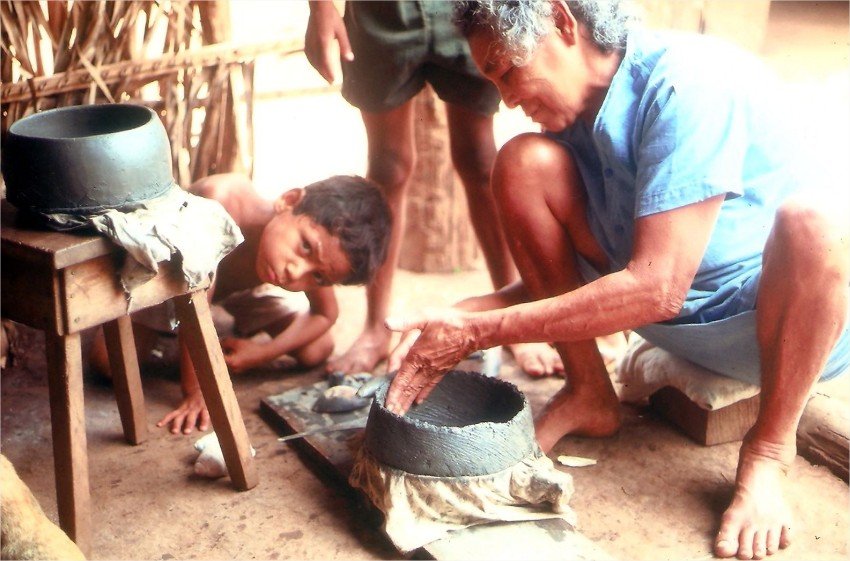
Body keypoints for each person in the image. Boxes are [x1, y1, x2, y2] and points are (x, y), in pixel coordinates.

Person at [382, 1, 850, 560]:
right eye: (491, 80)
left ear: (562, 22)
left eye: (507, 69)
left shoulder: (685, 84)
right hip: (671, 325)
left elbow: (656, 286)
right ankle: (589, 391)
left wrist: (479, 333)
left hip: (784, 330)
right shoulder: (581, 114)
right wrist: (458, 316)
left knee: (819, 226)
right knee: (522, 162)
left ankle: (770, 451)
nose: (505, 97)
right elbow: (579, 283)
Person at [305, 0, 566, 378]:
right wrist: (320, 8)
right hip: (380, 13)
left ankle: (514, 323)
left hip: (468, 9)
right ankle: (377, 327)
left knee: (480, 161)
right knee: (387, 166)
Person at [90, 173, 392, 435]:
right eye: (305, 247)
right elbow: (195, 306)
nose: (296, 273)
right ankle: (173, 339)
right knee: (108, 362)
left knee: (318, 349)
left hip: (237, 290)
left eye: (319, 277)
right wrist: (197, 391)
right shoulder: (221, 202)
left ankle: (217, 340)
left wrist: (260, 354)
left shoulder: (287, 259)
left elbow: (326, 313)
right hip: (175, 284)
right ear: (288, 201)